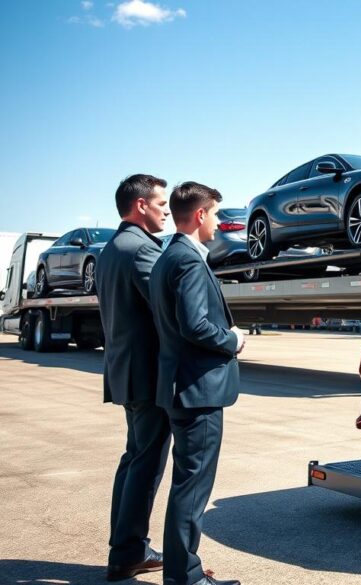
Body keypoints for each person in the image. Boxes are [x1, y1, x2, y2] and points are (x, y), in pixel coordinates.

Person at [150, 181, 245, 585]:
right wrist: (232, 340)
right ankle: (185, 577)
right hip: (197, 389)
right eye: (216, 214)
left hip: (181, 386)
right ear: (201, 214)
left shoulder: (168, 256)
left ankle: (181, 570)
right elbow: (194, 325)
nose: (219, 222)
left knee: (186, 484)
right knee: (192, 487)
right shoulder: (187, 260)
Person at [96, 173, 172, 582]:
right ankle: (128, 552)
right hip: (148, 374)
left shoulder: (112, 248)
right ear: (141, 205)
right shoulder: (142, 249)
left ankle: (125, 548)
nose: (166, 212)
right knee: (145, 463)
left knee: (134, 459)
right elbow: (167, 308)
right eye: (161, 204)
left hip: (126, 372)